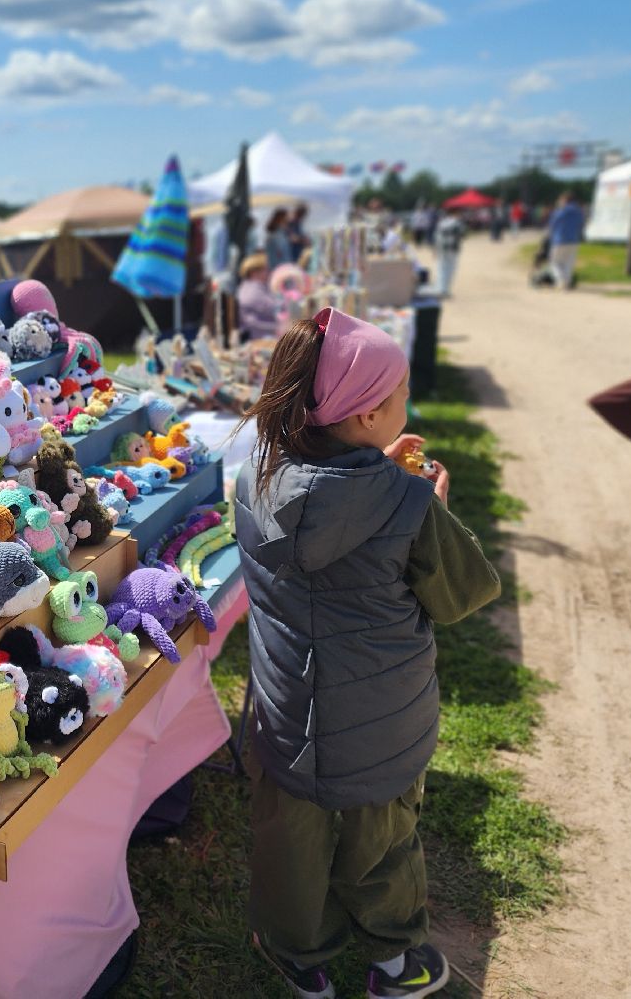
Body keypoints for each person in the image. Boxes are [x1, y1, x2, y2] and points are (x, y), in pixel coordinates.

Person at [234, 309, 500, 999]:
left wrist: (382, 480)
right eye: (402, 394)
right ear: (370, 416)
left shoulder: (251, 481)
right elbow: (463, 593)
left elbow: (322, 509)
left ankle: (299, 955)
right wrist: (431, 503)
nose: (406, 403)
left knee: (289, 844)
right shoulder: (408, 501)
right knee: (383, 837)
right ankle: (392, 961)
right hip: (384, 718)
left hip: (286, 714)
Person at [236, 252, 282, 341]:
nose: (269, 271)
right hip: (259, 336)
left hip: (263, 332)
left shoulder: (254, 287)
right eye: (265, 269)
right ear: (254, 272)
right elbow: (275, 308)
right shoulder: (252, 291)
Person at [546, 191, 586, 290]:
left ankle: (560, 280)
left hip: (560, 239)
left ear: (564, 200)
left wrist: (549, 236)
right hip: (574, 240)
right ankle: (567, 282)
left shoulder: (561, 211)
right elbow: (581, 224)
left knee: (555, 261)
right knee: (568, 262)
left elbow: (552, 224)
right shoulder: (579, 211)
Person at [432, 207, 464, 297]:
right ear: (456, 213)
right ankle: (445, 290)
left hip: (441, 248)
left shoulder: (441, 223)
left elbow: (436, 236)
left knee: (441, 269)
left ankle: (439, 288)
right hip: (452, 248)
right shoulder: (457, 223)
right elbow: (462, 234)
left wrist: (435, 249)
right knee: (450, 269)